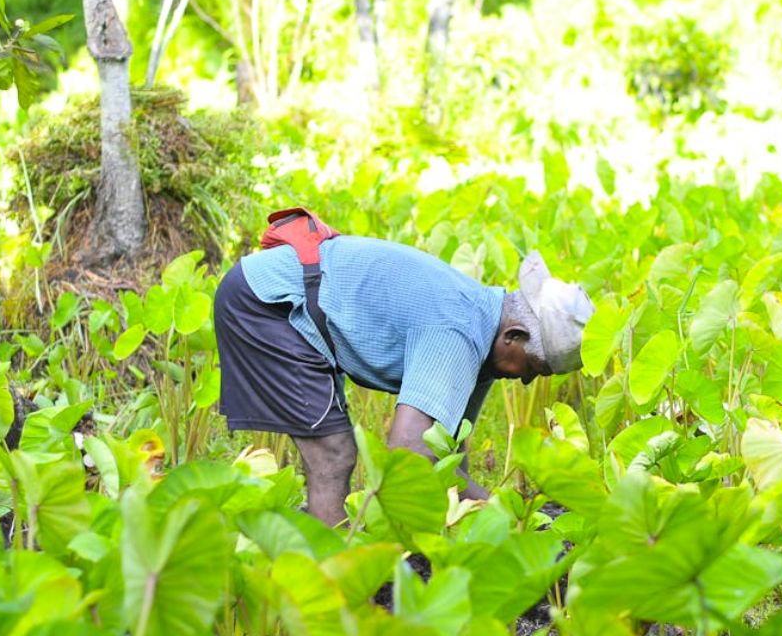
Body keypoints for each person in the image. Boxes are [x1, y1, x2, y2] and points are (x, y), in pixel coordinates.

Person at [213, 217, 594, 527]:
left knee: (335, 454)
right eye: (534, 368)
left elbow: (445, 455)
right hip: (268, 303)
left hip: (290, 298)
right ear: (514, 336)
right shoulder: (459, 330)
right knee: (334, 454)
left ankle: (320, 547)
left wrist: (505, 516)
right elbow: (409, 454)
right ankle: (332, 582)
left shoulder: (484, 334)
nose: (526, 380)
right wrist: (498, 509)